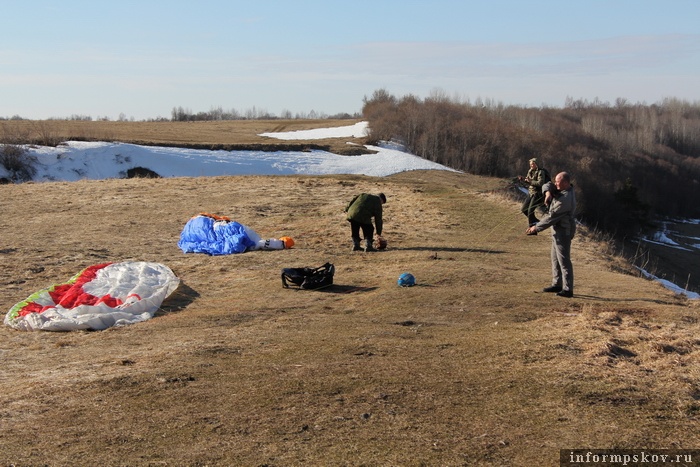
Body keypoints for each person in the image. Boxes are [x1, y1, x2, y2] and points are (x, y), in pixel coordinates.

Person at [526, 172, 576, 298]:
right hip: (556, 230)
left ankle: (568, 289)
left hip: (563, 231)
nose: (555, 183)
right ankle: (557, 284)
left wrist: (535, 228)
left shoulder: (566, 199)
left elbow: (551, 218)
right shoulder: (561, 188)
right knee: (555, 259)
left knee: (564, 260)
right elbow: (547, 184)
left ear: (565, 183)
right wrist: (548, 193)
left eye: (558, 182)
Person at [519, 158, 550, 226]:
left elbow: (540, 183)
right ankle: (535, 221)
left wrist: (530, 181)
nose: (531, 165)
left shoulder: (541, 172)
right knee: (524, 209)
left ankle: (532, 226)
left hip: (537, 193)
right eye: (530, 164)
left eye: (533, 164)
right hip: (530, 192)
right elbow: (529, 181)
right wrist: (523, 180)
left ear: (536, 164)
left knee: (530, 211)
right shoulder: (530, 171)